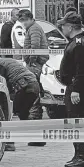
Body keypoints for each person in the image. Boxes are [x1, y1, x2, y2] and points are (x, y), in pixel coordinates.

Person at [0, 56, 42, 151]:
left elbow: (1, 84)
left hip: (26, 87)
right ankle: (38, 139)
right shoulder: (5, 60)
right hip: (34, 85)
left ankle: (9, 143)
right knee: (23, 113)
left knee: (9, 112)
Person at [57, 11, 84, 167]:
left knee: (79, 121)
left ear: (70, 27)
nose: (62, 28)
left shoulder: (79, 44)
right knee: (74, 121)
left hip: (78, 88)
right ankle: (78, 155)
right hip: (73, 86)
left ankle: (81, 157)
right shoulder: (76, 41)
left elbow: (82, 70)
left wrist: (76, 90)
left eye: (63, 25)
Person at [18, 9, 48, 147]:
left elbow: (34, 47)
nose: (23, 23)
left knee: (34, 100)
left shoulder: (34, 29)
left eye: (24, 20)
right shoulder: (32, 28)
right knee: (35, 100)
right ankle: (37, 136)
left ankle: (38, 136)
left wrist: (31, 62)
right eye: (21, 20)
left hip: (35, 66)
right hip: (35, 65)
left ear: (30, 19)